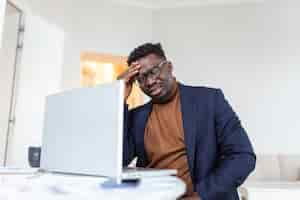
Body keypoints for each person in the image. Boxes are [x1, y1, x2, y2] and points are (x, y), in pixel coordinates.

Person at [118, 43, 256, 200]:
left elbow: (243, 156)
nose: (149, 82)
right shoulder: (137, 117)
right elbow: (118, 161)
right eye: (141, 79)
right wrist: (117, 98)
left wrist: (200, 196)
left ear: (169, 67)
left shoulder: (209, 100)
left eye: (153, 72)